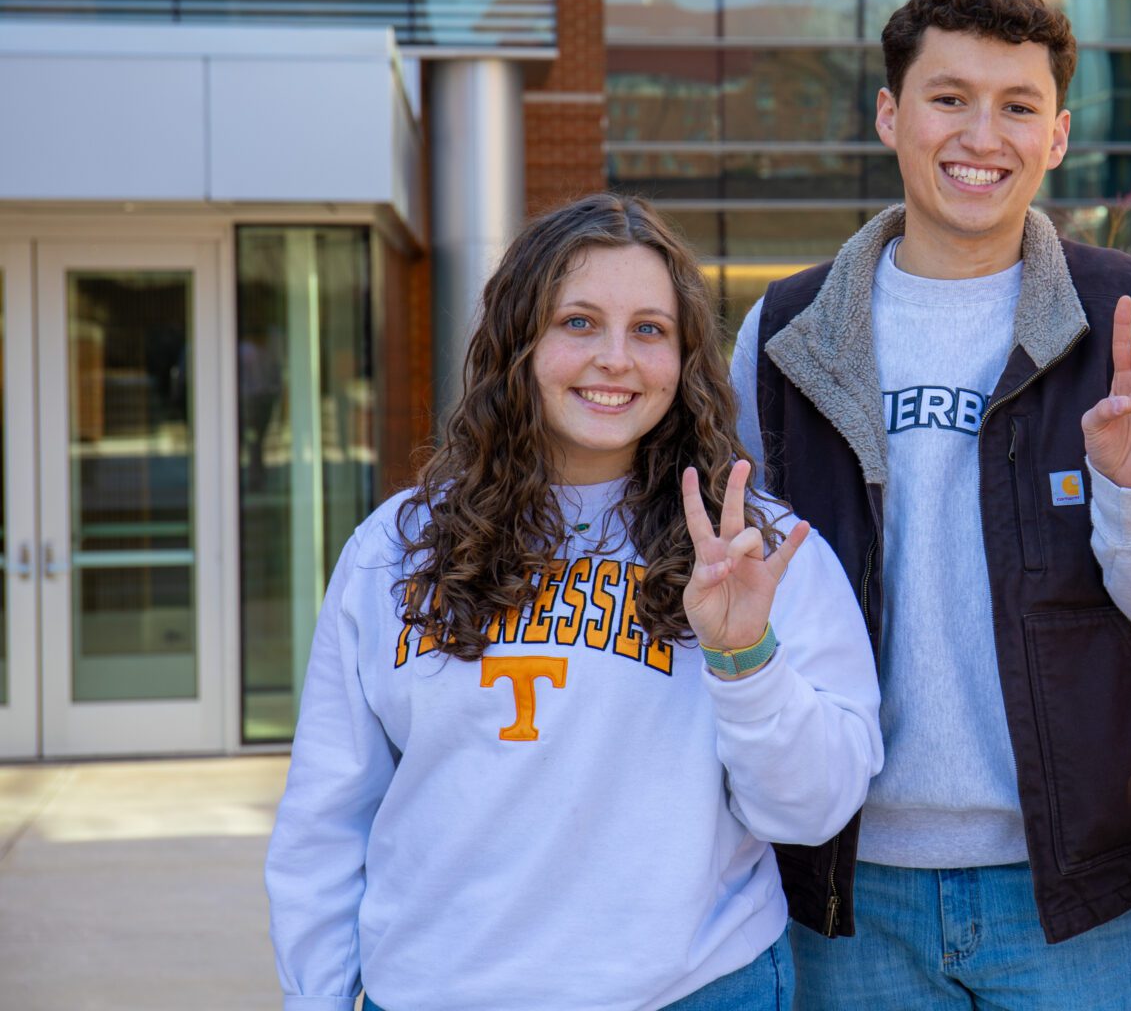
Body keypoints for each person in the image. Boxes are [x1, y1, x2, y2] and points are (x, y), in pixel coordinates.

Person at [729, 0, 1131, 1009]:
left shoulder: (1125, 315)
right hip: (848, 881)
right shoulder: (783, 336)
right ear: (888, 114)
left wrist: (1130, 496)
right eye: (948, 97)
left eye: (1017, 106)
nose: (979, 135)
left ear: (1055, 135)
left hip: (1073, 886)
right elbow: (733, 603)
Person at [265, 194, 882, 1011]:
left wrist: (746, 660)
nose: (615, 359)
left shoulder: (755, 550)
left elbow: (812, 810)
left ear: (686, 356)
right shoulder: (396, 547)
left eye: (650, 330)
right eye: (579, 323)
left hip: (691, 991)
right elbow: (327, 816)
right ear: (519, 341)